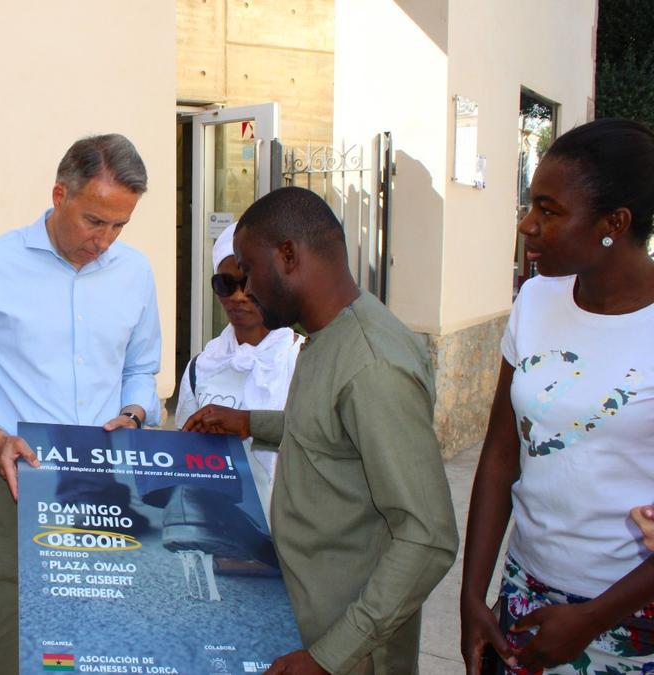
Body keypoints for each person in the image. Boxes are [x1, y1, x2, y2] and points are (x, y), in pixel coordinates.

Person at [184, 187, 458, 675]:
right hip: (306, 620)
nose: (243, 287)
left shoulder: (373, 365)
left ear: (288, 256)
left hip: (348, 649)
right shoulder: (326, 334)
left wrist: (329, 657)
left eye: (248, 269)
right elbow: (337, 434)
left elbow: (427, 536)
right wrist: (250, 424)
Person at [0, 134, 162, 674]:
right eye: (94, 221)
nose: (105, 240)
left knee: (103, 649)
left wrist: (135, 414)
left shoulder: (135, 272)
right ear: (60, 195)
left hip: (106, 483)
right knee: (12, 651)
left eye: (120, 225)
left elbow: (141, 369)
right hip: (16, 480)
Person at [460, 118, 654, 674]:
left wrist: (591, 620)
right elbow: (501, 455)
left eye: (549, 210)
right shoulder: (536, 300)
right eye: (530, 205)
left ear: (613, 224)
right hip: (525, 590)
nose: (527, 225)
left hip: (628, 614)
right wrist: (474, 595)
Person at [174, 222, 303, 526]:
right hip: (220, 528)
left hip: (292, 533)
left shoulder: (303, 361)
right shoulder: (202, 367)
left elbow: (323, 442)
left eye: (247, 282)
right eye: (225, 284)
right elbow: (185, 456)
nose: (238, 296)